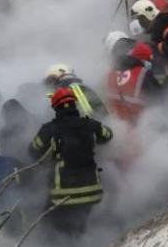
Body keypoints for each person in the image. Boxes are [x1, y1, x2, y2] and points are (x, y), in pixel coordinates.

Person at [28, 88, 113, 237]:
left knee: (47, 227)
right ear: (75, 105)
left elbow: (33, 151)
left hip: (62, 196)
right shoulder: (90, 124)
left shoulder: (49, 129)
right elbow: (107, 135)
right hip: (92, 192)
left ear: (55, 108)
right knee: (81, 227)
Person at [105, 42, 161, 123]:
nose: (149, 63)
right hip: (139, 119)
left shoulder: (111, 73)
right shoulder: (143, 72)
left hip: (117, 120)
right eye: (148, 60)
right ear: (142, 59)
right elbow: (159, 95)